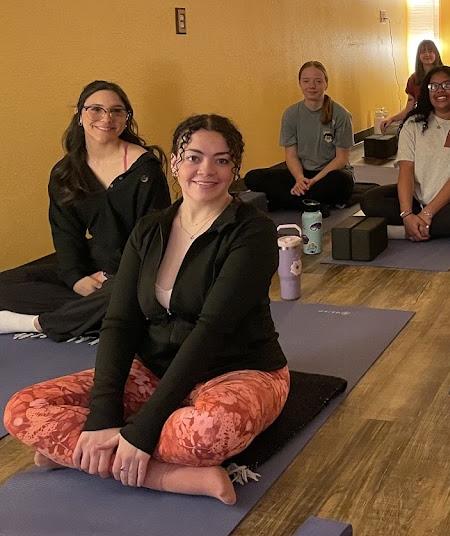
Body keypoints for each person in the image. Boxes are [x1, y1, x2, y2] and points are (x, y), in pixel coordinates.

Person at [4, 114, 290, 504]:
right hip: (154, 370)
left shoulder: (252, 232)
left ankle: (84, 457)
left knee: (207, 433)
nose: (206, 170)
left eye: (222, 160)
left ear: (234, 168)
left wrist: (142, 430)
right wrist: (103, 417)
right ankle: (166, 476)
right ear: (174, 162)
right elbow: (120, 322)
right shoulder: (150, 229)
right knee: (22, 409)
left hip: (237, 369)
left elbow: (211, 330)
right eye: (193, 157)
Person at [0, 80, 170, 339]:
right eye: (96, 109)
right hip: (94, 264)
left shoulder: (145, 169)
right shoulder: (65, 173)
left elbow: (153, 238)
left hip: (138, 268)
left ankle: (37, 323)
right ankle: (95, 313)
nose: (106, 118)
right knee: (6, 284)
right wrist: (76, 279)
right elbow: (66, 236)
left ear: (126, 119)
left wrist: (111, 275)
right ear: (80, 116)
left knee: (126, 294)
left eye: (117, 111)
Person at [361, 66, 450, 241]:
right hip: (417, 196)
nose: (440, 91)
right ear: (427, 92)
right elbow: (406, 169)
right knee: (370, 199)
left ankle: (403, 231)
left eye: (446, 85)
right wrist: (406, 214)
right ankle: (440, 229)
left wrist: (427, 213)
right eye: (433, 87)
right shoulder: (412, 124)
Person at [244, 61, 354, 210]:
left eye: (318, 81)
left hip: (329, 175)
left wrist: (314, 180)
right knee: (252, 177)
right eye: (306, 81)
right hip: (301, 173)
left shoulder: (341, 114)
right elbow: (291, 155)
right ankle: (308, 203)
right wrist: (300, 179)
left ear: (326, 84)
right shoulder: (291, 114)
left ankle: (288, 201)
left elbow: (341, 159)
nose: (312, 86)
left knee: (344, 182)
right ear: (300, 84)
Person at [380, 39, 443, 133]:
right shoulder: (413, 79)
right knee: (390, 129)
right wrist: (392, 119)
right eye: (423, 52)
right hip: (422, 117)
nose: (427, 54)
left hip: (443, 117)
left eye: (430, 51)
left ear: (436, 54)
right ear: (418, 56)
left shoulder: (445, 75)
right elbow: (408, 108)